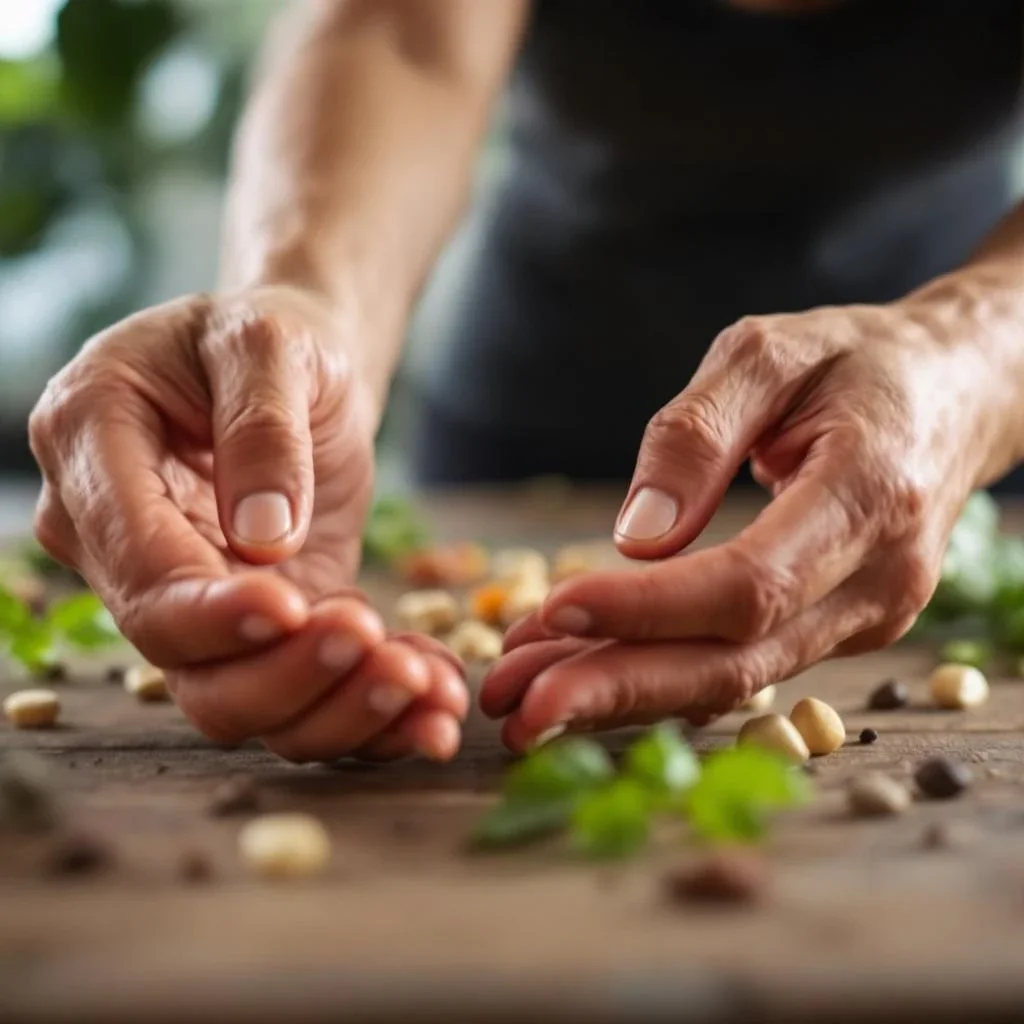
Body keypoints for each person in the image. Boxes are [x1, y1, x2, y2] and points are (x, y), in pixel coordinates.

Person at [27, 0, 1024, 762]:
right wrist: (300, 300)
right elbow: (405, 35)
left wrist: (972, 350)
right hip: (524, 408)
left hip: (960, 437)